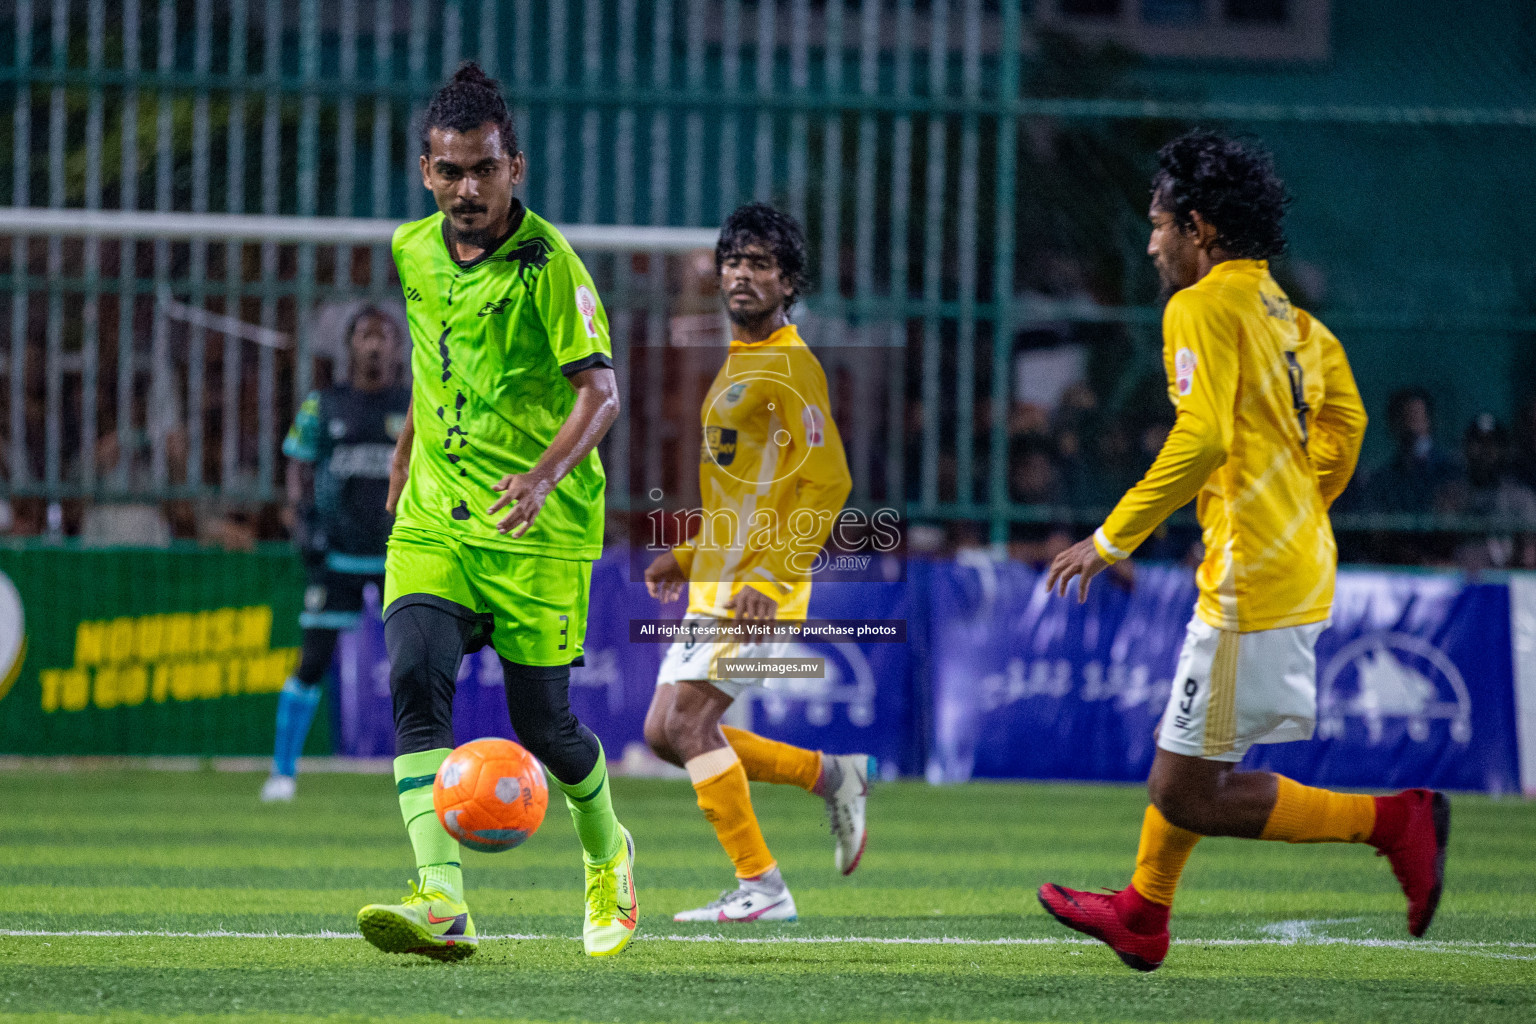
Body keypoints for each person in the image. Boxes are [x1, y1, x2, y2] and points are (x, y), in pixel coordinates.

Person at [1038, 130, 1448, 972]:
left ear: (1198, 227)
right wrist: (1301, 505)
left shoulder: (1198, 306)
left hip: (1252, 577)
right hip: (1290, 561)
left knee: (1181, 787)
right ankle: (1144, 912)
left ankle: (1394, 823)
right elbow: (1349, 426)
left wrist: (1110, 539)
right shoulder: (1292, 319)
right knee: (1196, 748)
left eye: (1157, 225)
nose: (1151, 243)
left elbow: (1201, 438)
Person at [355, 62, 634, 961]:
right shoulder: (413, 250)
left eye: (483, 169)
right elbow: (434, 367)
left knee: (543, 725)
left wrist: (544, 477)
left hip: (536, 528)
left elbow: (603, 395)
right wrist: (406, 452)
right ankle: (441, 899)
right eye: (449, 171)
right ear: (424, 172)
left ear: (516, 164)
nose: (466, 189)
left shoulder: (551, 266)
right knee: (414, 676)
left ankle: (608, 850)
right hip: (438, 517)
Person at [642, 203, 868, 923]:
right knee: (662, 734)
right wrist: (683, 556)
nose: (742, 274)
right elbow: (748, 494)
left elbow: (828, 482)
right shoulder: (742, 365)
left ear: (788, 282)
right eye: (734, 260)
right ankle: (828, 775)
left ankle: (763, 887)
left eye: (761, 264)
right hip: (719, 582)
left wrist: (771, 580)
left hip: (756, 590)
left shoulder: (791, 364)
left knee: (687, 726)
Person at [260, 307, 409, 802]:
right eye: (365, 335)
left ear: (398, 347)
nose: (374, 345)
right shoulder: (324, 404)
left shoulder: (416, 404)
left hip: (400, 556)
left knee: (415, 665)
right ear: (349, 347)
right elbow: (299, 466)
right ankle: (283, 773)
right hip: (338, 555)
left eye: (384, 336)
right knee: (312, 661)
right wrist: (302, 523)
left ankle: (425, 773)